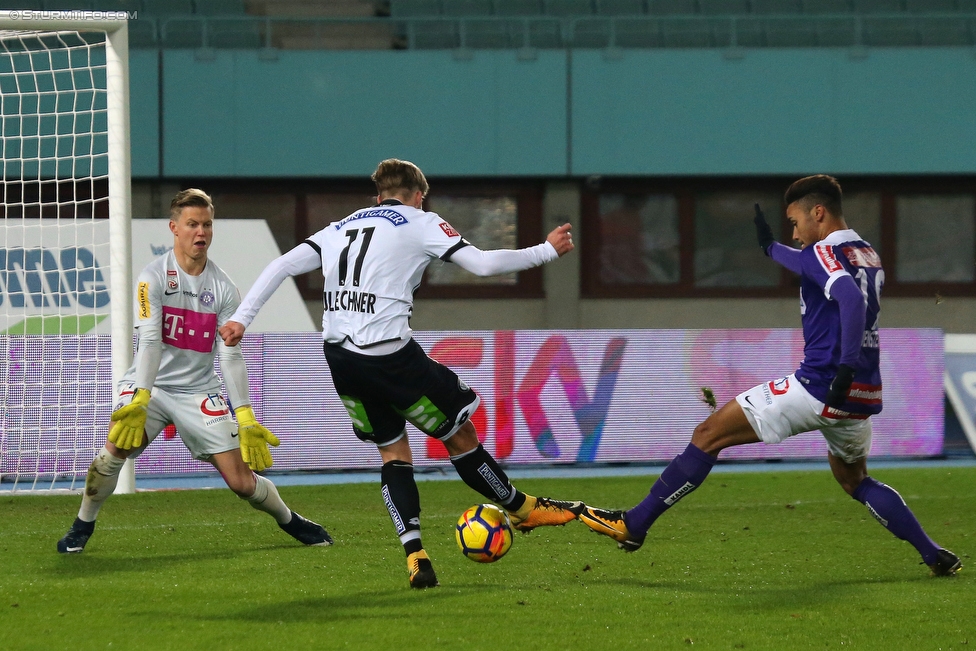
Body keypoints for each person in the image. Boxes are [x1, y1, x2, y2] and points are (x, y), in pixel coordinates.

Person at [219, 159, 583, 589]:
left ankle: (416, 555)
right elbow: (483, 265)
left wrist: (242, 319)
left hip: (340, 359)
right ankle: (521, 508)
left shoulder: (340, 226)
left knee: (393, 453)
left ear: (377, 196)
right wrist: (545, 250)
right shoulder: (420, 221)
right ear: (419, 195)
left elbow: (281, 266)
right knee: (459, 435)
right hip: (390, 357)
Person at [579, 174, 962, 577]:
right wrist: (769, 248)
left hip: (822, 384)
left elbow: (845, 295)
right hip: (861, 396)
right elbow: (810, 266)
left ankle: (634, 524)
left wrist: (844, 365)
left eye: (795, 223)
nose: (796, 235)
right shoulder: (864, 252)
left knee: (708, 434)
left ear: (819, 212)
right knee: (856, 481)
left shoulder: (822, 250)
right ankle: (932, 551)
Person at [57, 189, 331, 554]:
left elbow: (230, 356)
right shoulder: (151, 278)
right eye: (192, 224)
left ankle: (290, 520)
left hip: (199, 391)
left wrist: (245, 414)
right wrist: (141, 395)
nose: (200, 232)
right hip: (149, 388)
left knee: (241, 482)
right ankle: (82, 524)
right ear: (174, 228)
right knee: (116, 447)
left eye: (206, 224)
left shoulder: (225, 289)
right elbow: (150, 343)